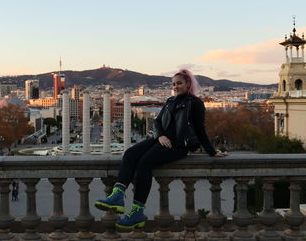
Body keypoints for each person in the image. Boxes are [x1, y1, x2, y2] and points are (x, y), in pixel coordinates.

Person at [94, 69, 228, 229]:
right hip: (161, 140)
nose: (176, 86)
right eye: (173, 84)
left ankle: (137, 211)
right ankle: (117, 196)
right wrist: (160, 136)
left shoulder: (195, 103)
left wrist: (212, 151)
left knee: (145, 163)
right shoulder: (170, 101)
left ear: (188, 84)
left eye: (179, 83)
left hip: (179, 145)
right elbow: (157, 122)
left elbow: (200, 130)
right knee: (130, 153)